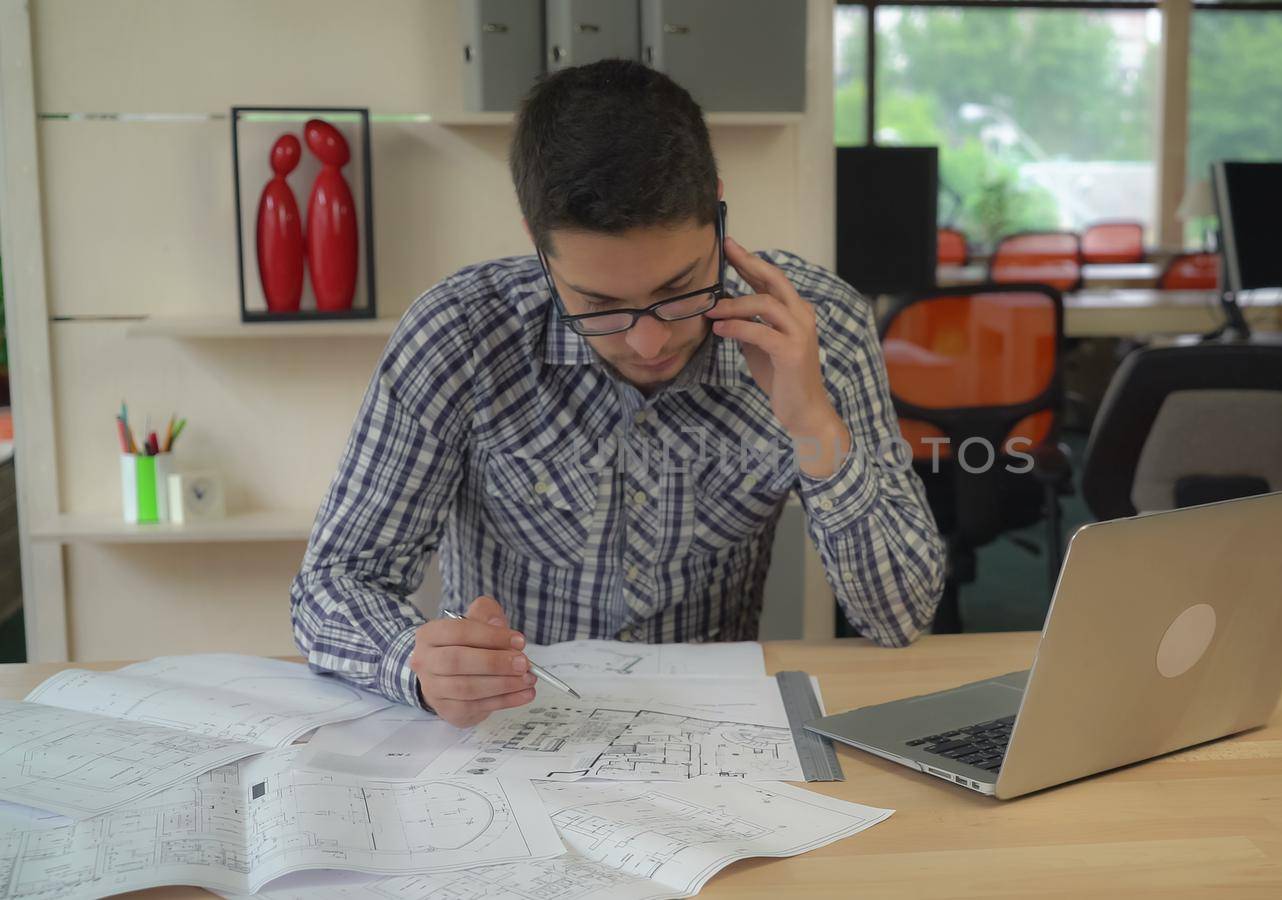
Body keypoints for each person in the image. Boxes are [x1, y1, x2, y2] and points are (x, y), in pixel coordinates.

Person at [290, 60, 945, 727]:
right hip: (513, 733)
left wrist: (812, 421)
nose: (649, 342)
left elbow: (900, 615)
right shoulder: (458, 333)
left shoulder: (814, 325)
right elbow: (334, 583)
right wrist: (414, 660)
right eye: (598, 304)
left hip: (707, 737)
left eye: (679, 289)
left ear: (719, 209)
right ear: (537, 243)